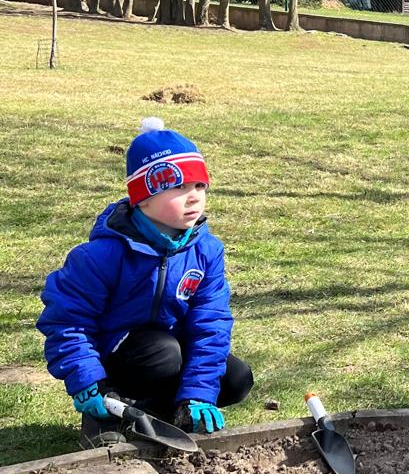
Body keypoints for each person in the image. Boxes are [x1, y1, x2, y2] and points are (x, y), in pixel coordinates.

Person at [38, 118, 252, 447]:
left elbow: (211, 322)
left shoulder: (207, 251)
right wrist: (88, 379)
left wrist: (198, 393)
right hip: (115, 356)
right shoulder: (100, 256)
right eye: (179, 188)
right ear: (143, 198)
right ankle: (105, 415)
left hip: (169, 349)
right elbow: (67, 321)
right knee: (163, 353)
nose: (194, 197)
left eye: (199, 186)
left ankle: (157, 413)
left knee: (236, 377)